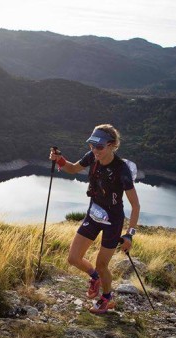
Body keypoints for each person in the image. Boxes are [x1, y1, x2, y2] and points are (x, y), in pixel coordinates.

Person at [49, 124, 140, 314]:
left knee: (102, 264)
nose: (94, 150)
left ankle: (107, 297)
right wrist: (60, 159)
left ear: (112, 145)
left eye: (99, 147)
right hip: (94, 213)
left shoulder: (121, 170)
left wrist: (130, 234)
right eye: (92, 145)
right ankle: (94, 276)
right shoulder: (93, 157)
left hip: (112, 221)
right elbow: (73, 169)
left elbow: (135, 206)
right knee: (74, 258)